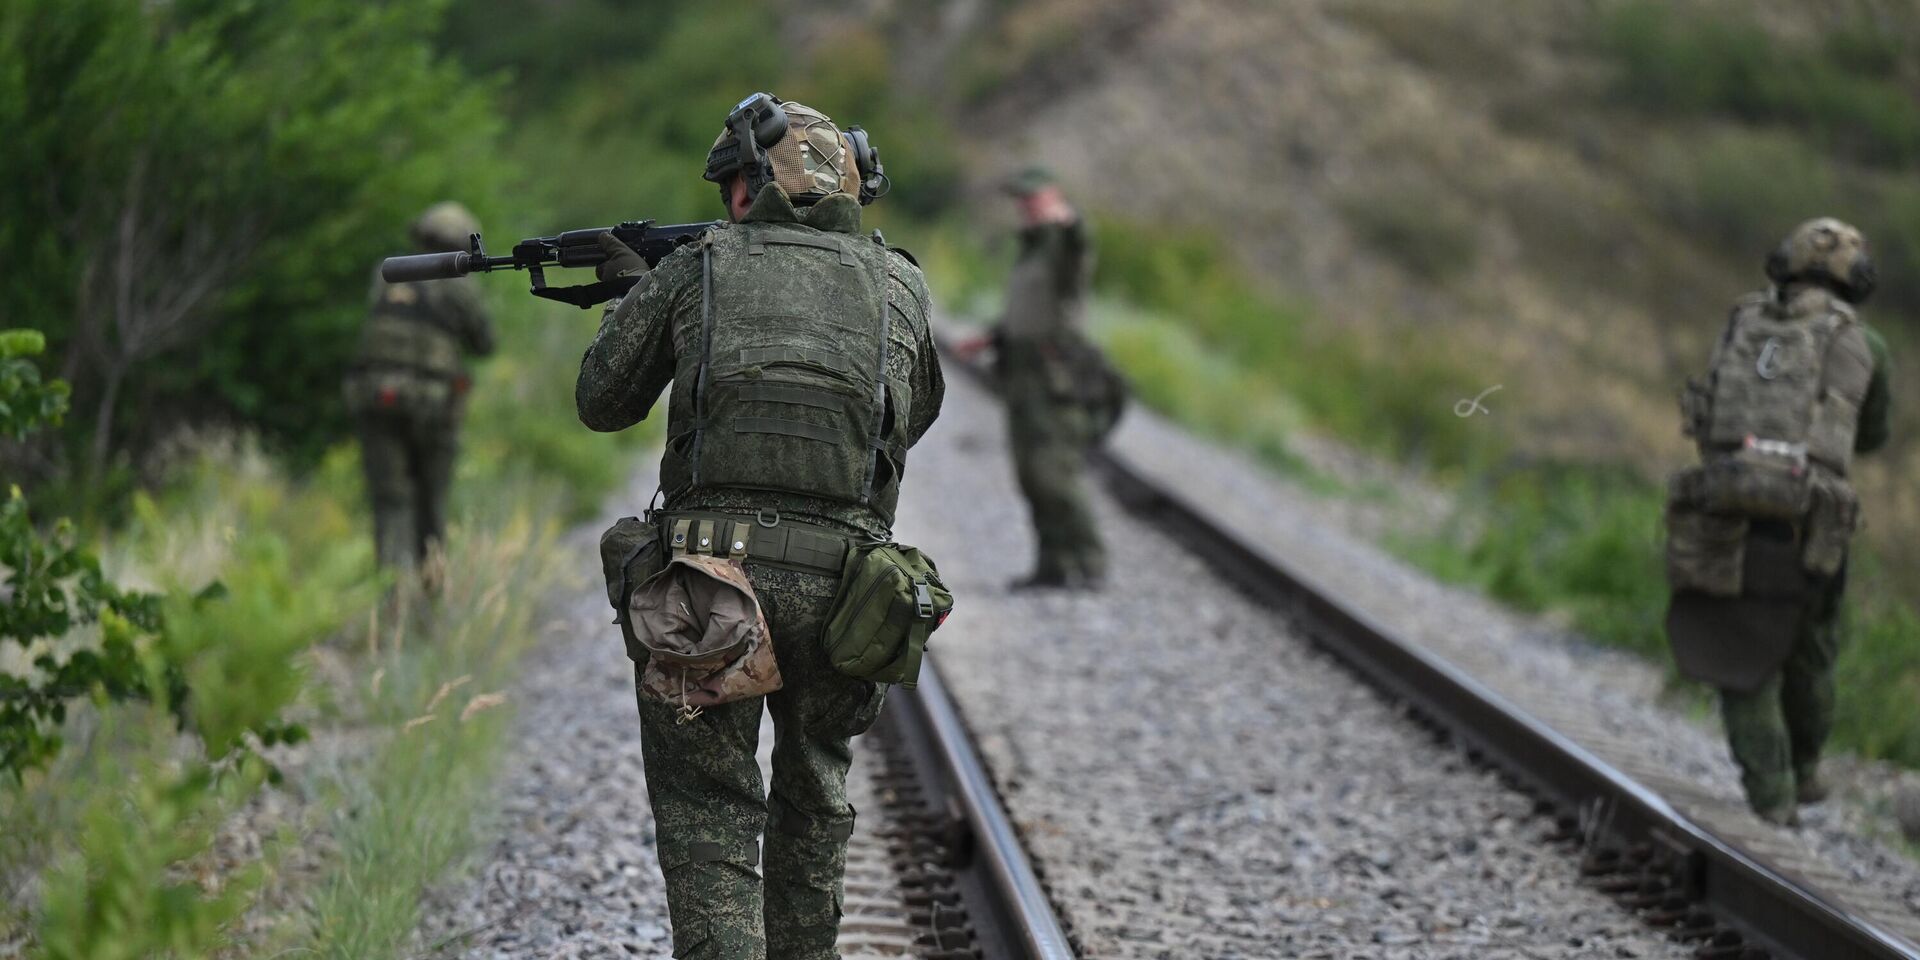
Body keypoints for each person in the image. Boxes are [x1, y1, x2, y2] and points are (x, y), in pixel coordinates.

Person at [575, 94, 943, 959]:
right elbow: (909, 420)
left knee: (709, 809)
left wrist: (637, 301)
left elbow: (601, 403)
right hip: (847, 590)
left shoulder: (697, 265)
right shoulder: (902, 284)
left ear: (749, 188)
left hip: (708, 587)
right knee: (816, 801)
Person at [1664, 217, 1891, 826]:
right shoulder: (1864, 345)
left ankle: (1772, 799)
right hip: (1811, 518)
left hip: (1725, 502)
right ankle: (1806, 770)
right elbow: (1871, 435)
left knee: (1738, 651)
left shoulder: (1743, 319)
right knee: (1811, 649)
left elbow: (1711, 400)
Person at [963, 167, 1114, 589]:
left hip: (1055, 378)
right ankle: (1053, 565)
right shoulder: (1032, 249)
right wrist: (990, 337)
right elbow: (1026, 314)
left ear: (1054, 198)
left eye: (1035, 198)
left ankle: (1090, 562)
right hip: (1023, 375)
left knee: (1055, 473)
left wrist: (1071, 223)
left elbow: (1080, 252)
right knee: (1030, 474)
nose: (1026, 206)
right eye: (1022, 200)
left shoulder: (1063, 244)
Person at [347, 201, 495, 583]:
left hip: (375, 396)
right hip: (434, 405)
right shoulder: (460, 283)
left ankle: (392, 596)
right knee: (432, 503)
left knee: (391, 503)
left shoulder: (388, 272)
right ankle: (431, 593)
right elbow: (484, 343)